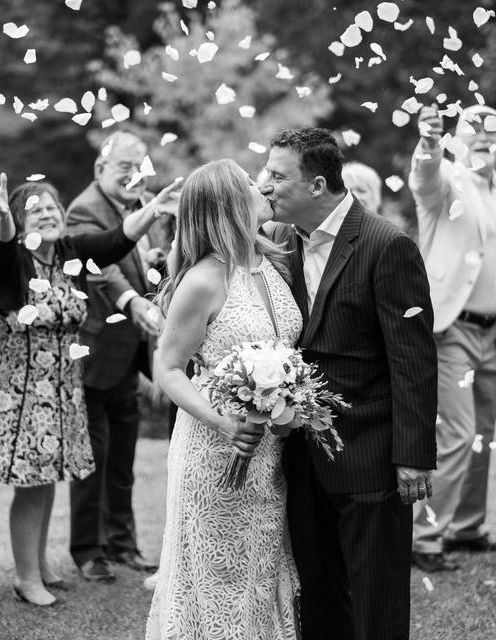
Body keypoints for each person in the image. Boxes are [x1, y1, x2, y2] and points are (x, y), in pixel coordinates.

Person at [0, 176, 178, 606]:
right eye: (35, 209)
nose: (48, 213)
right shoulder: (10, 259)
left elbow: (117, 239)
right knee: (32, 481)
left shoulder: (68, 252)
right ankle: (26, 579)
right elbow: (1, 241)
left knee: (47, 479)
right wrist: (2, 219)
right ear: (20, 224)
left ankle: (39, 565)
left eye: (52, 206)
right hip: (19, 389)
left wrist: (153, 209)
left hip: (59, 387)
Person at [261, 128, 437, 640]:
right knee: (319, 597)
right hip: (301, 455)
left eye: (277, 176)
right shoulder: (279, 242)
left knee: (377, 598)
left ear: (317, 185)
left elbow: (413, 359)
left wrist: (412, 453)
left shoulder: (388, 245)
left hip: (370, 451)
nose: (266, 186)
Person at [145, 158, 299, 639]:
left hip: (269, 450)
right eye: (253, 184)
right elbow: (168, 368)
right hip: (215, 451)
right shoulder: (204, 280)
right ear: (231, 204)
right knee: (217, 580)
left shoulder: (272, 261)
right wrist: (224, 423)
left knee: (261, 572)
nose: (264, 188)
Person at [408, 105, 496, 573]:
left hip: (491, 332)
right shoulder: (448, 180)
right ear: (458, 139)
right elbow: (424, 179)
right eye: (473, 129)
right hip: (451, 330)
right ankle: (423, 537)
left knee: (482, 433)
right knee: (458, 433)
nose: (483, 135)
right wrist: (429, 145)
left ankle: (467, 528)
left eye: (491, 129)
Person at [64, 131, 171, 582]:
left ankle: (123, 543)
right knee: (92, 458)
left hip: (131, 351)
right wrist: (134, 301)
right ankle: (89, 551)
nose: (134, 175)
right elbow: (101, 269)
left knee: (123, 457)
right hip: (95, 351)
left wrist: (159, 261)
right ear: (100, 170)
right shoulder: (83, 209)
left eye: (138, 166)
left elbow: (141, 263)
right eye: (124, 166)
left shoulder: (145, 206)